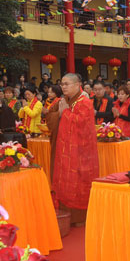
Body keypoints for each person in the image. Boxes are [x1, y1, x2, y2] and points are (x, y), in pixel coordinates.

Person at [51, 73, 99, 225]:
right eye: (62, 84)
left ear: (77, 84)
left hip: (81, 153)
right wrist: (60, 112)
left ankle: (80, 217)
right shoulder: (62, 101)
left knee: (79, 183)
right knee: (64, 182)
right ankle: (65, 214)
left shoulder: (84, 102)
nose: (63, 87)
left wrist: (65, 113)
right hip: (65, 152)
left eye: (67, 84)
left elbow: (82, 125)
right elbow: (48, 115)